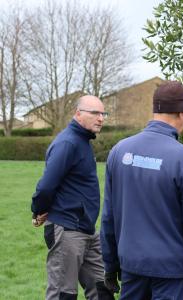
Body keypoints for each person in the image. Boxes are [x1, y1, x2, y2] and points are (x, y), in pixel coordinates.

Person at [100, 81, 183, 300]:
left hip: (131, 267)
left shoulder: (119, 152)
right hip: (170, 273)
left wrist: (110, 265)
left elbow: (109, 217)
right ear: (182, 114)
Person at [31, 95, 114, 300]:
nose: (101, 118)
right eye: (95, 113)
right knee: (63, 294)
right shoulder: (68, 143)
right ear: (78, 114)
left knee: (102, 289)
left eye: (103, 113)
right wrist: (38, 210)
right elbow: (46, 186)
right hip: (68, 229)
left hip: (87, 230)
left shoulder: (82, 141)